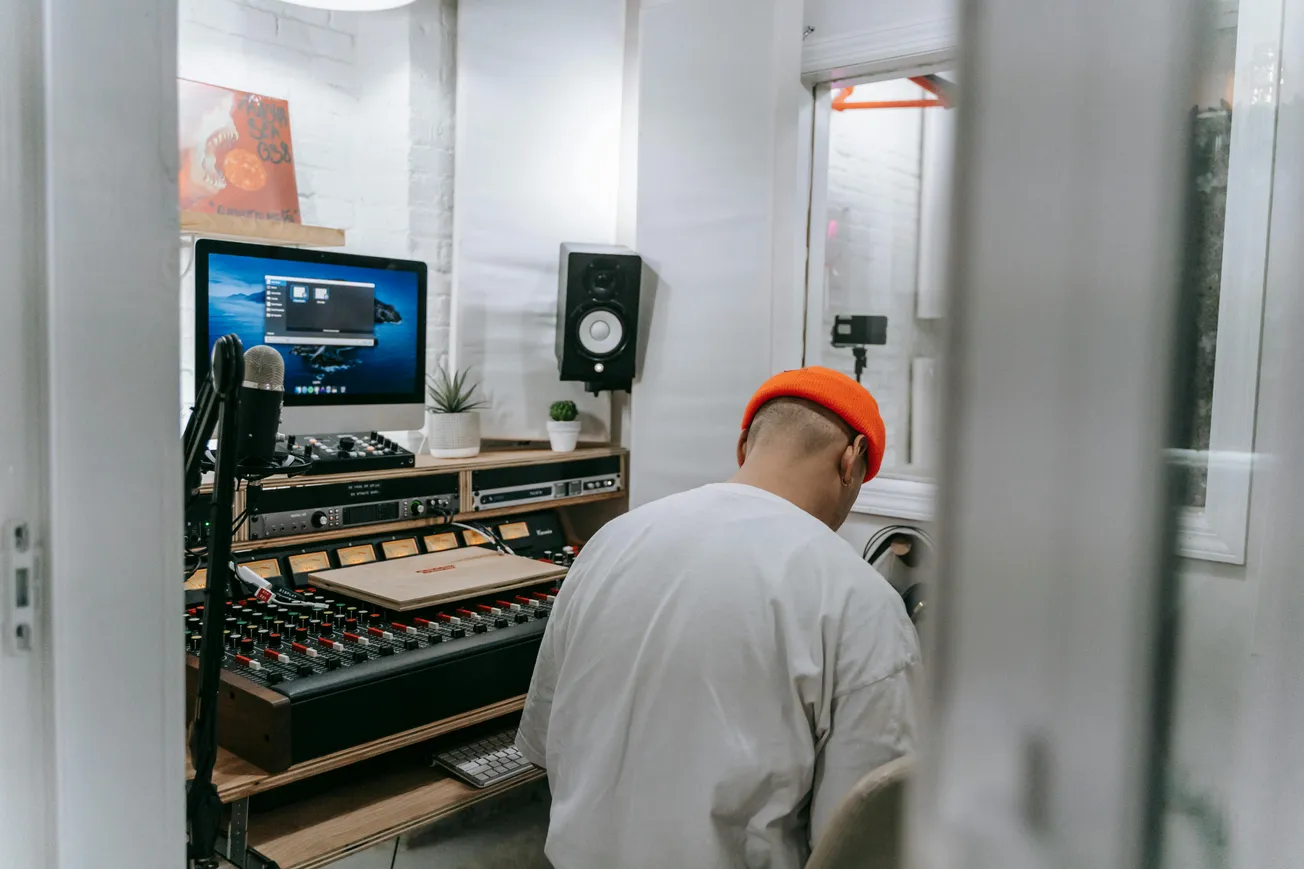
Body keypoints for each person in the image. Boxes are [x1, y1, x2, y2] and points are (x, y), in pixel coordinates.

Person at [516, 366, 921, 869]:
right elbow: (859, 836)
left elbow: (542, 740)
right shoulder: (859, 600)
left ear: (744, 446)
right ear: (851, 459)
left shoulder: (610, 543)